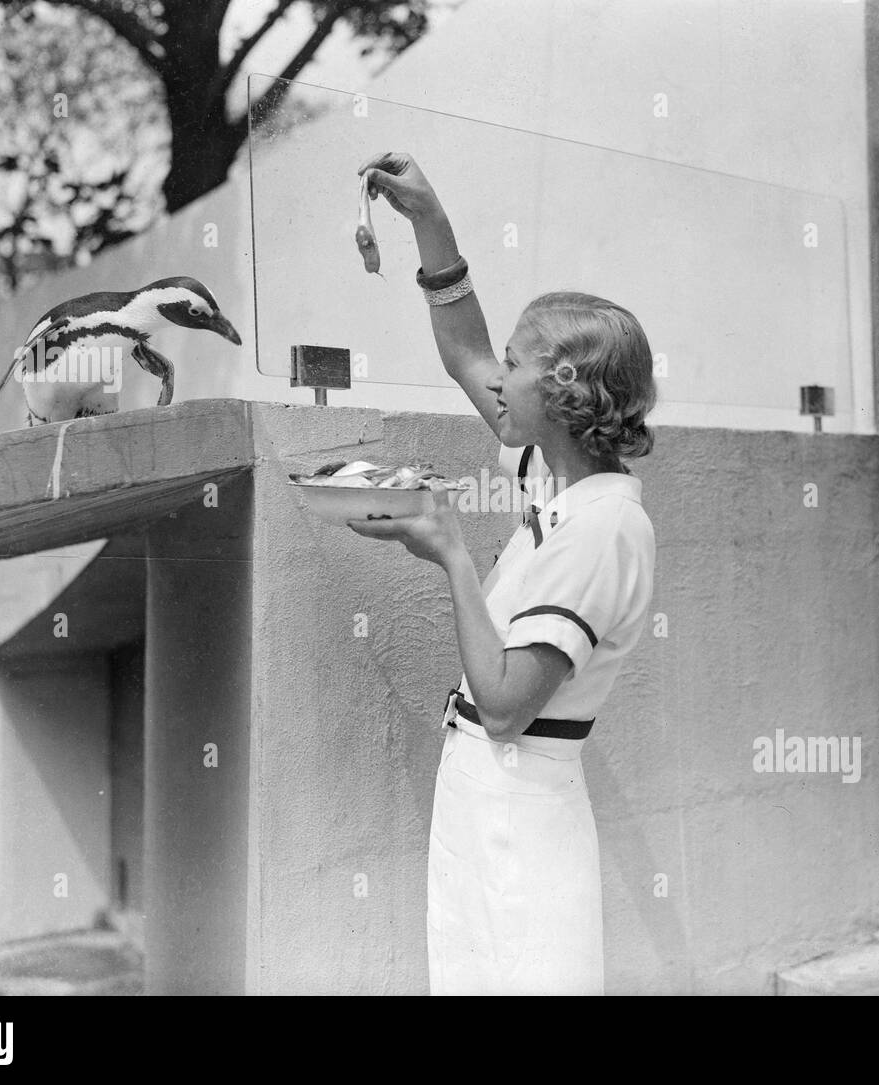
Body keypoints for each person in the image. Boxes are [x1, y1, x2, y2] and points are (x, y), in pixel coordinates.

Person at [345, 151, 657, 995]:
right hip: (484, 795)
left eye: (518, 364)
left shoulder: (602, 531)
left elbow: (508, 704)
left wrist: (447, 552)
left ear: (562, 395)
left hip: (523, 804)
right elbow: (464, 349)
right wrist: (428, 221)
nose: (498, 374)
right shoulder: (556, 472)